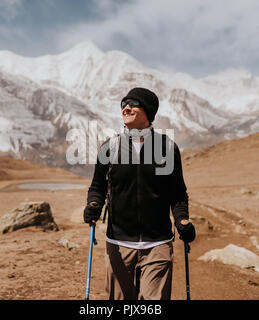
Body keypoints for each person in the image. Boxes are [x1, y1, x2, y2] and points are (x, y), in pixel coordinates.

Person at [83, 87, 196, 300]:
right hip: (118, 242)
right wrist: (93, 205)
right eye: (124, 104)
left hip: (158, 243)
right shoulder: (109, 148)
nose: (126, 107)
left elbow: (178, 193)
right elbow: (97, 187)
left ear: (148, 111)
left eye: (133, 103)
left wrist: (182, 220)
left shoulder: (166, 148)